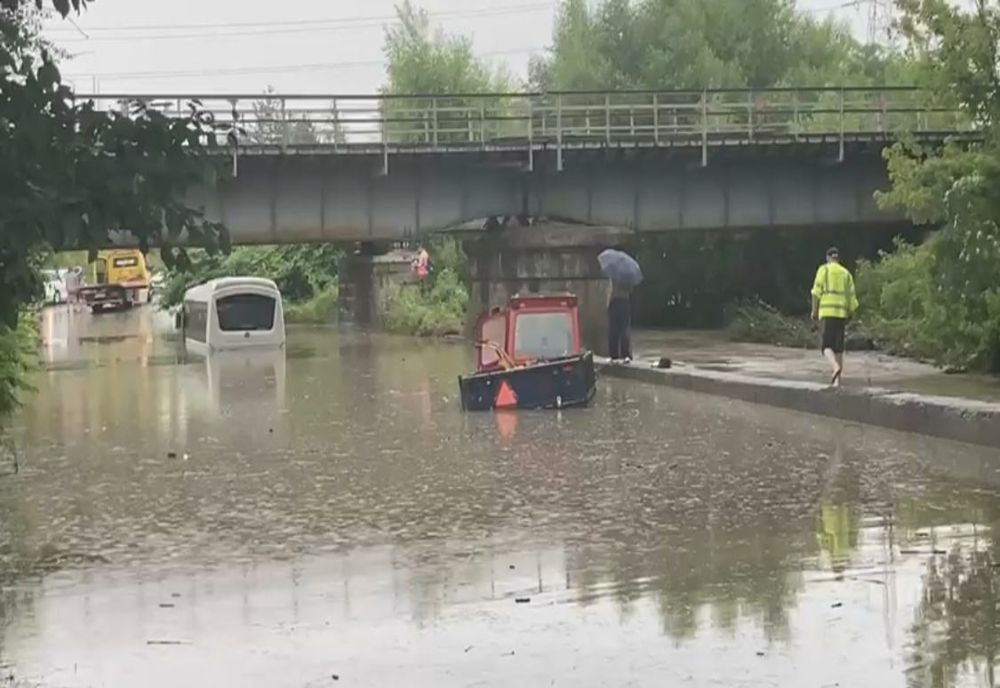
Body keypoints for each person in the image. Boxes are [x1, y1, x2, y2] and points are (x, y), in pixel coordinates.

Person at [811, 247, 859, 386]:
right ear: (838, 258)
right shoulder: (846, 274)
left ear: (827, 258)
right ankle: (837, 381)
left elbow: (816, 293)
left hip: (827, 313)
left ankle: (834, 367)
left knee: (826, 346)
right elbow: (852, 299)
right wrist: (851, 314)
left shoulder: (824, 270)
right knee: (838, 348)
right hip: (841, 315)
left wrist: (814, 311)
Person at [607, 279, 633, 362]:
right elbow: (631, 290)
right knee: (625, 328)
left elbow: (611, 291)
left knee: (613, 330)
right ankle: (626, 355)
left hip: (614, 302)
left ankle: (613, 355)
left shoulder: (614, 274)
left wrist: (608, 304)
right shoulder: (628, 276)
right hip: (625, 301)